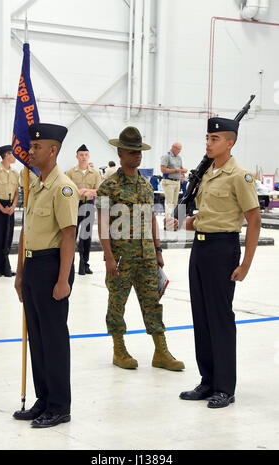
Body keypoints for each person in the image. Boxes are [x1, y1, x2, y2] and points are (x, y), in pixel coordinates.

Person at [175, 117, 261, 408]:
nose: (209, 143)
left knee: (220, 318)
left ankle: (225, 386)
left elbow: (253, 219)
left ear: (229, 142)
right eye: (208, 139)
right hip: (199, 248)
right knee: (201, 316)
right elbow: (209, 212)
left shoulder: (240, 176)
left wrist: (246, 263)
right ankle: (207, 380)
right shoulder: (207, 173)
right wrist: (191, 222)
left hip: (222, 249)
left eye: (215, 139)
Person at [95, 126, 184, 371]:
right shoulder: (108, 186)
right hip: (121, 258)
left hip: (146, 257)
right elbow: (103, 224)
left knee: (152, 302)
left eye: (140, 151)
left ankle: (160, 351)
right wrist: (109, 257)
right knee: (117, 303)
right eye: (132, 151)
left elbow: (151, 219)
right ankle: (119, 349)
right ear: (120, 152)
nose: (137, 155)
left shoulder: (146, 185)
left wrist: (158, 251)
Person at [13, 123, 79, 428]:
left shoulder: (63, 187)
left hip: (53, 267)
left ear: (52, 150)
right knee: (37, 339)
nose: (31, 150)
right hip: (32, 269)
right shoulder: (37, 185)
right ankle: (43, 400)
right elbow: (28, 231)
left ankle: (59, 406)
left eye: (37, 147)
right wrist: (19, 274)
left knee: (53, 340)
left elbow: (68, 235)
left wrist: (63, 280)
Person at [66, 144, 101, 275]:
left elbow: (99, 190)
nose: (83, 157)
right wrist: (77, 192)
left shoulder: (95, 173)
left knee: (86, 237)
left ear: (89, 156)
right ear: (77, 156)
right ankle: (70, 264)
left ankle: (85, 264)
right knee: (71, 235)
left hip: (88, 207)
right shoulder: (70, 173)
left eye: (86, 155)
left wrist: (88, 191)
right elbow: (66, 190)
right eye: (81, 155)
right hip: (74, 206)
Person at [0, 145, 19, 277]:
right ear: (7, 155)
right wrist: (2, 208)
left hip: (10, 206)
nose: (14, 157)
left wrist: (13, 206)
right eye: (13, 154)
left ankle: (5, 266)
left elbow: (17, 192)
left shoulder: (15, 173)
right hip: (0, 206)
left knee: (8, 237)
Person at [160, 142, 187, 215]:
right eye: (178, 149)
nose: (179, 151)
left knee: (175, 202)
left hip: (177, 182)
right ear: (173, 148)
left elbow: (181, 169)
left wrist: (183, 171)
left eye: (180, 149)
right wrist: (176, 170)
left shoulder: (179, 157)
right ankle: (168, 221)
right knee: (169, 203)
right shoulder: (166, 156)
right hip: (169, 181)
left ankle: (174, 219)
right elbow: (163, 170)